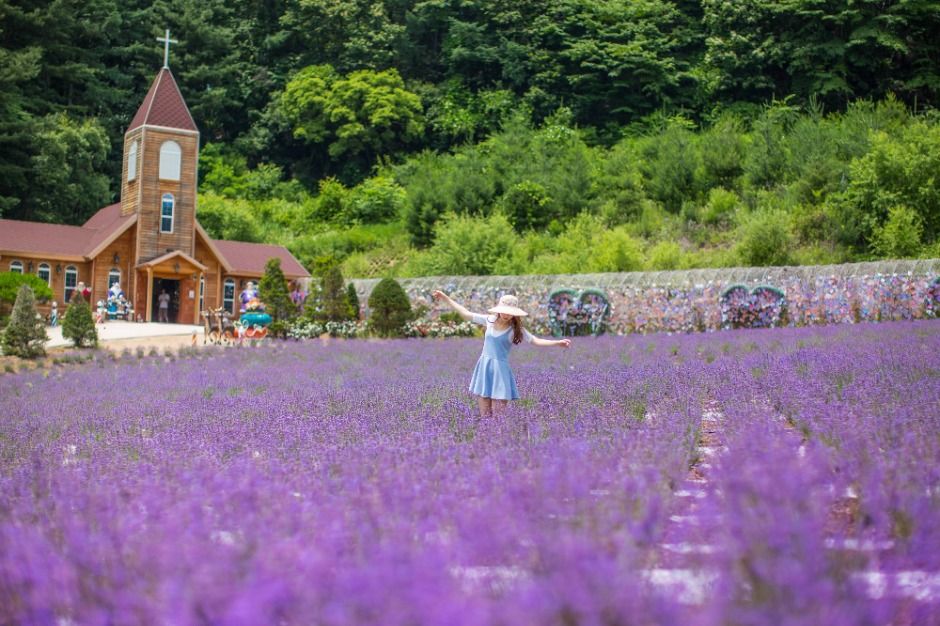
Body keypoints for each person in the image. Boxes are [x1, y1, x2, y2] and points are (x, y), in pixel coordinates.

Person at [433, 291, 571, 417]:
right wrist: (445, 298)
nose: (506, 314)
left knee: (498, 418)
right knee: (485, 416)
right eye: (504, 311)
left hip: (500, 371)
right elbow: (466, 314)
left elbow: (535, 340)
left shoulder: (516, 329)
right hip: (484, 367)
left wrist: (557, 343)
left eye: (510, 312)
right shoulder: (490, 320)